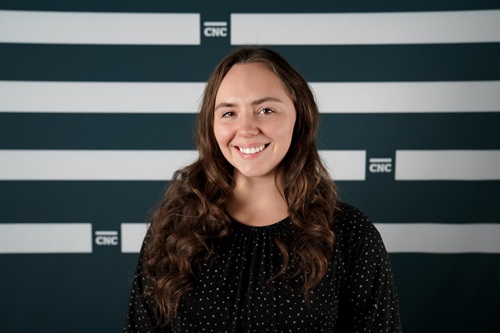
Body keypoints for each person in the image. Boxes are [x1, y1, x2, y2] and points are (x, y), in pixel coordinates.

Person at [123, 46, 402, 332]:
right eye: (229, 113)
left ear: (299, 116)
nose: (246, 129)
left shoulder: (351, 235)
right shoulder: (173, 229)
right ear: (212, 125)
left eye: (265, 110)